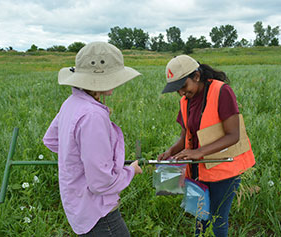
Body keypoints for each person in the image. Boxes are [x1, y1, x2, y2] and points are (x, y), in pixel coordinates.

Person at [43, 42, 143, 236]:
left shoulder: (72, 103)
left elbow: (52, 140)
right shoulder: (93, 116)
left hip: (78, 204)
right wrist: (130, 171)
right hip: (99, 213)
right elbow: (101, 183)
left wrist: (82, 159)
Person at [158, 55, 255, 237]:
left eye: (183, 87)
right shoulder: (185, 100)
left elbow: (234, 135)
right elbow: (185, 136)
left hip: (223, 171)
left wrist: (198, 152)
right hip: (197, 171)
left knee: (218, 221)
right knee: (200, 218)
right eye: (177, 90)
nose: (181, 93)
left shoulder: (221, 91)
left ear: (196, 76)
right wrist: (170, 151)